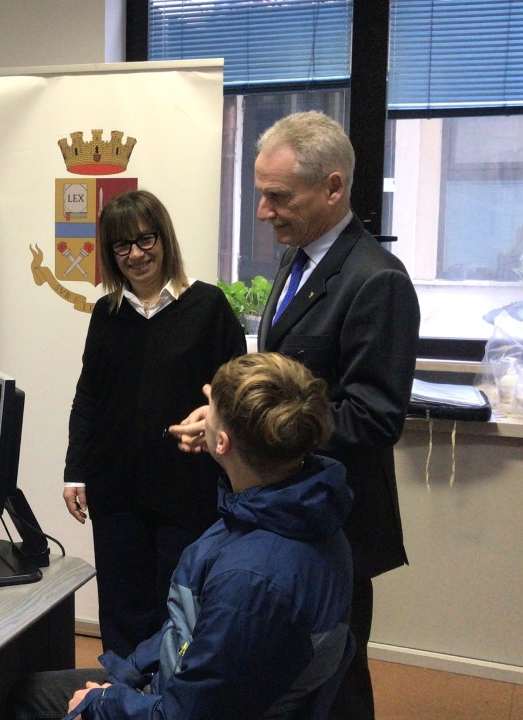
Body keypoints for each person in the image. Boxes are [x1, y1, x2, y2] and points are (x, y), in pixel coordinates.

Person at [171, 111, 420, 720]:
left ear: (333, 188)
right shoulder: (297, 257)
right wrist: (229, 419)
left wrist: (249, 428)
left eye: (278, 196)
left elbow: (374, 417)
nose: (263, 211)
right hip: (284, 514)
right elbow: (285, 384)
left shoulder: (377, 281)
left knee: (335, 683)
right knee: (279, 680)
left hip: (335, 521)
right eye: (261, 193)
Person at [2, 352, 353, 719]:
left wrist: (104, 705)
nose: (202, 413)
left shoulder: (250, 582)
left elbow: (186, 714)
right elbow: (183, 631)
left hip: (177, 706)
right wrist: (122, 678)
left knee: (24, 702)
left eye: (210, 408)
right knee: (31, 691)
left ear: (222, 443)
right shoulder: (289, 507)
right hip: (176, 687)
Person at [63, 189, 246, 658]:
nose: (136, 254)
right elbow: (88, 396)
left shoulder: (208, 306)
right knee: (122, 608)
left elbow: (235, 396)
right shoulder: (106, 314)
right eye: (122, 245)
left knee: (180, 610)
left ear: (164, 239)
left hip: (186, 488)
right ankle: (120, 689)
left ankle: (171, 694)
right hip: (115, 489)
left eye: (146, 239)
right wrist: (75, 471)